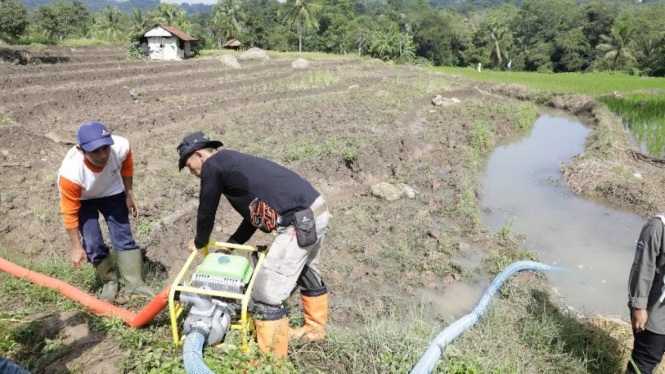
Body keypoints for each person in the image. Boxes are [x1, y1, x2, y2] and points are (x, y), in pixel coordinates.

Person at [177, 132, 331, 359]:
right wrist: (232, 244)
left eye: (190, 167)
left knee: (265, 294)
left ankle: (271, 362)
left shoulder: (213, 166)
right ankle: (314, 330)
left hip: (298, 221)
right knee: (306, 272)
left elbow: (206, 210)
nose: (192, 173)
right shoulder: (233, 163)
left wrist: (200, 241)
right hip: (315, 211)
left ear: (199, 155)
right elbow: (255, 215)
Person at [57, 121, 155, 302]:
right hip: (83, 199)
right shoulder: (71, 174)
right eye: (95, 151)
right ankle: (110, 282)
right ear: (81, 151)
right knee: (92, 243)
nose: (103, 155)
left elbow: (127, 166)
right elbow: (69, 213)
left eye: (105, 148)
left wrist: (128, 194)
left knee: (123, 235)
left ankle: (134, 284)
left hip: (112, 192)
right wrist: (76, 247)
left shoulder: (121, 146)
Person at [627, 213, 665, 374]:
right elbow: (643, 267)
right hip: (656, 313)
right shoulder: (657, 227)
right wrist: (639, 307)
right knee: (644, 363)